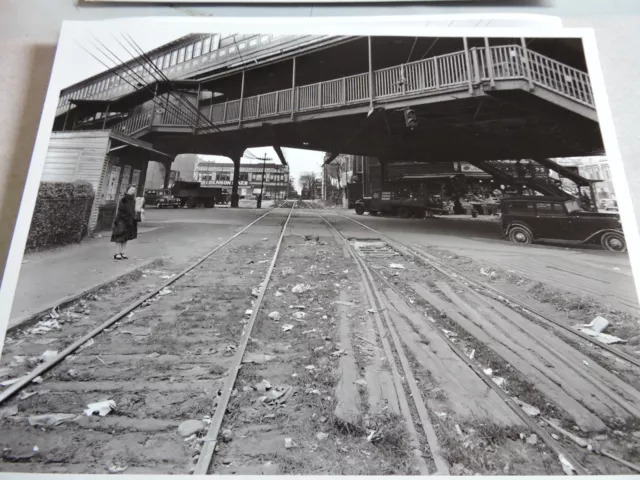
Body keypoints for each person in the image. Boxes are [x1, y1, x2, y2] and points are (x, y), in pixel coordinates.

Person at [111, 185, 138, 260]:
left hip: (130, 221)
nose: (133, 191)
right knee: (119, 238)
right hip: (121, 221)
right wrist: (125, 218)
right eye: (132, 190)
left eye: (134, 190)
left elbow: (134, 210)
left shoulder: (133, 200)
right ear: (127, 190)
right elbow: (120, 211)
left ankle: (122, 252)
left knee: (125, 238)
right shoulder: (123, 199)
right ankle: (117, 253)